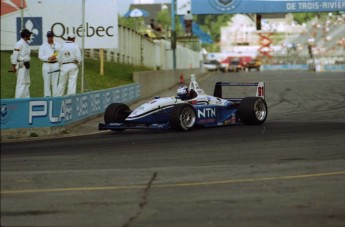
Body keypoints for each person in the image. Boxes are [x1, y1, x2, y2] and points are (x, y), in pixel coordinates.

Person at [10, 29, 32, 98]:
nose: (30, 35)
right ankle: (18, 99)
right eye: (29, 34)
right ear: (26, 35)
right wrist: (13, 66)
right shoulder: (19, 43)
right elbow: (15, 55)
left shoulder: (25, 43)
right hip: (21, 65)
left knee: (27, 82)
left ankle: (26, 98)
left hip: (26, 65)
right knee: (21, 83)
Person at [38, 31, 61, 97]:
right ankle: (47, 96)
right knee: (46, 81)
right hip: (46, 65)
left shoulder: (57, 45)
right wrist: (49, 58)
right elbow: (40, 56)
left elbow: (60, 54)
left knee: (55, 81)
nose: (50, 38)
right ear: (47, 37)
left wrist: (56, 57)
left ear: (53, 36)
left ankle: (55, 96)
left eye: (51, 36)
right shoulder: (43, 46)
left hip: (55, 64)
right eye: (49, 36)